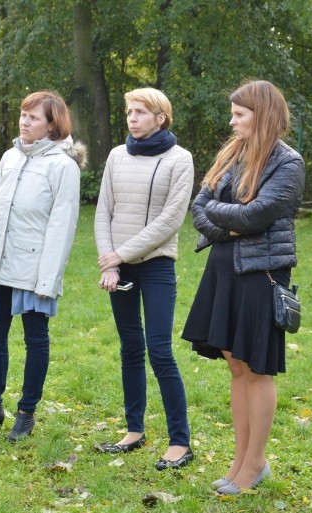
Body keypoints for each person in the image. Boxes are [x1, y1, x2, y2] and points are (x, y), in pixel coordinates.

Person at [181, 80, 305, 494]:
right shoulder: (232, 155)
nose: (231, 122)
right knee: (236, 366)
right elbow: (198, 208)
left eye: (239, 114)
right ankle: (240, 460)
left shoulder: (288, 163)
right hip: (223, 269)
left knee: (257, 368)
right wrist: (231, 221)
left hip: (261, 273)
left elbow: (259, 215)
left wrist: (232, 218)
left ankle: (254, 464)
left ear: (262, 115)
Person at [0, 91, 86, 441]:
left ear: (52, 124)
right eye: (23, 114)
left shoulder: (63, 165)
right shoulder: (9, 158)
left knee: (35, 339)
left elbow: (62, 226)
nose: (24, 121)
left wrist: (46, 280)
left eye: (33, 117)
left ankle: (26, 412)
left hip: (34, 272)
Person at [94, 88, 195, 470]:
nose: (132, 118)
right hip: (118, 267)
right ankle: (134, 431)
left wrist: (122, 254)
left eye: (140, 112)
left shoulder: (179, 159)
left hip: (155, 266)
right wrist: (110, 263)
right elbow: (104, 211)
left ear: (160, 118)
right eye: (129, 112)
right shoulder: (117, 156)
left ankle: (180, 442)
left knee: (159, 350)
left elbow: (171, 220)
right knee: (130, 348)